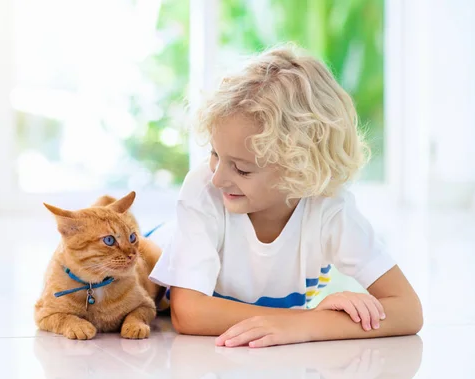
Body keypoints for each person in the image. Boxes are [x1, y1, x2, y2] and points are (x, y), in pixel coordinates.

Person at [149, 43, 423, 348]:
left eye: (242, 169)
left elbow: (408, 310)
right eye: (215, 154)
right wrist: (307, 321)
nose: (218, 177)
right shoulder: (204, 188)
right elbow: (189, 313)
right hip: (150, 256)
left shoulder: (329, 207)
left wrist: (308, 325)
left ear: (300, 172)